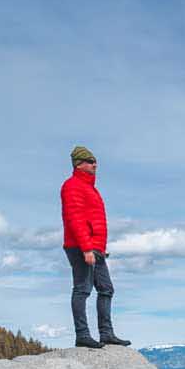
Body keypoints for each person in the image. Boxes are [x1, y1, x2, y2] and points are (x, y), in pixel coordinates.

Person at [61, 145, 129, 348]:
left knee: (106, 289)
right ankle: (82, 335)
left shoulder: (91, 188)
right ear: (79, 164)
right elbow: (75, 219)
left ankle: (106, 333)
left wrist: (97, 247)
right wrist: (86, 248)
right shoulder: (72, 186)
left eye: (95, 161)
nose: (95, 164)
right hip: (81, 247)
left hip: (95, 248)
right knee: (82, 289)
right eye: (90, 161)